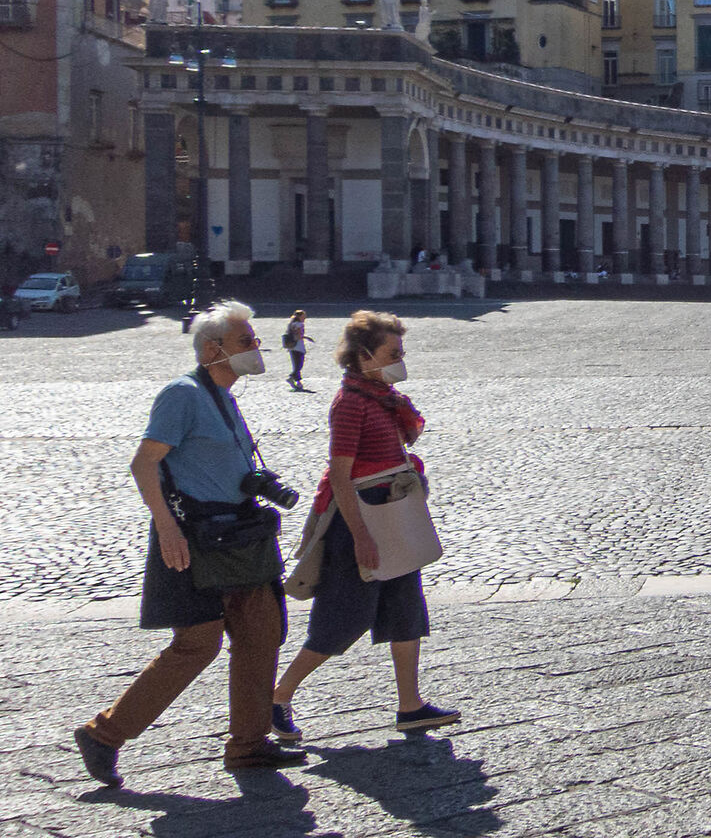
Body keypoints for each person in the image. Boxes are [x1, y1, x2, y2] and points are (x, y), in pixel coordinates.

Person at [75, 301, 304, 783]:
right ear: (212, 350)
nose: (257, 347)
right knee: (197, 644)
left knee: (262, 634)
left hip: (240, 536)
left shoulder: (224, 395)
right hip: (195, 537)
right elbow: (144, 464)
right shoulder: (182, 394)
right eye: (246, 341)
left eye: (255, 339)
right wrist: (166, 528)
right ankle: (104, 735)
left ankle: (248, 747)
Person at [270, 310, 460, 739]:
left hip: (393, 513)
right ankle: (278, 696)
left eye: (401, 352)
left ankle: (410, 706)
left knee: (406, 612)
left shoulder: (383, 397)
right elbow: (340, 475)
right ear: (363, 355)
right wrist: (360, 537)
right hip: (361, 519)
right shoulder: (350, 403)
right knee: (344, 617)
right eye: (393, 353)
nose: (400, 360)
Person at [282, 310, 310, 391]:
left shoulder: (291, 324)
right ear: (300, 316)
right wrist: (304, 337)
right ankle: (292, 377)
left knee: (296, 364)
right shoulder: (299, 324)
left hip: (292, 347)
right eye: (303, 316)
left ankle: (298, 382)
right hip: (298, 347)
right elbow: (299, 335)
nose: (305, 318)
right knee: (299, 365)